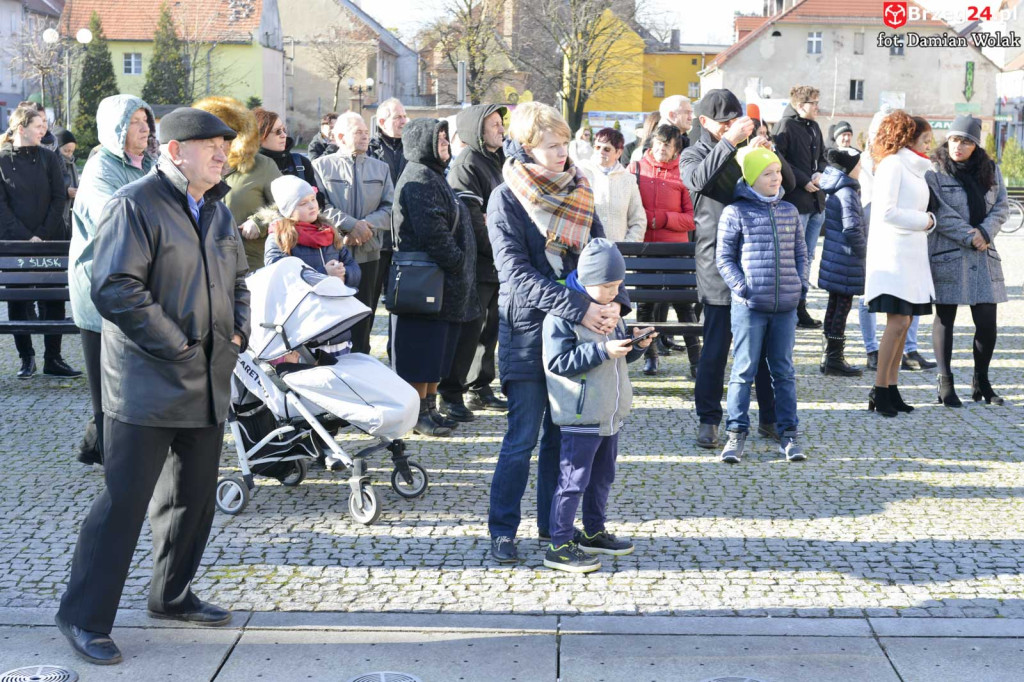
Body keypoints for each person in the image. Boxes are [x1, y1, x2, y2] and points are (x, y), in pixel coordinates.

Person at [55, 107, 249, 666]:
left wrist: (235, 333)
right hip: (145, 383)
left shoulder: (216, 209)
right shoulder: (134, 203)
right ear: (174, 152)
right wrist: (180, 348)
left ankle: (172, 595)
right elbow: (115, 287)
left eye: (224, 146)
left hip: (207, 379)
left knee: (191, 501)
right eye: (210, 145)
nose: (222, 154)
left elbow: (237, 279)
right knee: (124, 503)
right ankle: (83, 617)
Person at [486, 102, 628, 564]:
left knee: (560, 436)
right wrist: (583, 308)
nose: (563, 153)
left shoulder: (579, 188)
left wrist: (614, 305)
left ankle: (557, 533)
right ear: (527, 147)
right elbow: (516, 274)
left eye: (566, 144)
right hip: (527, 332)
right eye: (552, 146)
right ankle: (503, 530)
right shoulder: (505, 198)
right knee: (522, 437)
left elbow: (603, 254)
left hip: (575, 333)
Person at [542, 239, 653, 572]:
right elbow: (558, 362)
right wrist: (604, 351)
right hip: (581, 413)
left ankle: (593, 531)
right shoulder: (563, 314)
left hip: (609, 412)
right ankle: (558, 543)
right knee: (573, 480)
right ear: (586, 279)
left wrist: (636, 347)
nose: (614, 293)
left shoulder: (612, 310)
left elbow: (615, 359)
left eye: (618, 285)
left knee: (603, 476)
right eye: (607, 286)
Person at [680, 89, 780, 449]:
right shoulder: (693, 152)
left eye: (735, 122)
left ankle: (771, 418)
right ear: (704, 123)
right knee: (717, 347)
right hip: (717, 264)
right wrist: (730, 143)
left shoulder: (749, 149)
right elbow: (698, 181)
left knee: (764, 347)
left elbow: (786, 186)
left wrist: (768, 154)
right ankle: (708, 419)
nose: (731, 128)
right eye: (724, 123)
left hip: (757, 260)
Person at [68, 95, 158, 466]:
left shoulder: (149, 163)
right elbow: (118, 215)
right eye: (135, 121)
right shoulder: (100, 168)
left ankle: (95, 444)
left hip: (138, 284)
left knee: (130, 377)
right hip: (101, 289)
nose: (144, 128)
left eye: (146, 120)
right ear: (115, 128)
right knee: (107, 383)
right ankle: (115, 459)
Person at [717, 146, 808, 463]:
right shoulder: (735, 212)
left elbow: (801, 253)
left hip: (785, 306)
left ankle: (789, 434)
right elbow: (725, 259)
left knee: (783, 372)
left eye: (778, 172)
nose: (776, 177)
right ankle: (735, 433)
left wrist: (800, 284)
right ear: (752, 178)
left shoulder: (789, 211)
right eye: (767, 173)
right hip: (750, 306)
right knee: (743, 371)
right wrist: (744, 288)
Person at [390, 117, 479, 437]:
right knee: (420, 351)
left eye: (446, 140)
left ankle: (428, 407)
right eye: (440, 141)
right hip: (427, 282)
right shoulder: (419, 178)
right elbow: (433, 233)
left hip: (441, 284)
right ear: (423, 143)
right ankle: (417, 414)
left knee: (433, 352)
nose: (446, 147)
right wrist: (457, 262)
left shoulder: (433, 175)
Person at [925, 115, 1009, 407]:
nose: (958, 146)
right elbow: (940, 211)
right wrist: (968, 235)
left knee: (987, 321)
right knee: (945, 317)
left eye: (965, 141)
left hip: (984, 252)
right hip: (949, 252)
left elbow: (1002, 206)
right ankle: (944, 382)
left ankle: (981, 382)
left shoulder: (991, 170)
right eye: (954, 139)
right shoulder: (935, 171)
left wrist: (985, 232)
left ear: (975, 145)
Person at [438, 104, 510, 421]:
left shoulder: (498, 161)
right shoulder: (467, 164)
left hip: (497, 262)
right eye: (494, 124)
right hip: (478, 262)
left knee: (489, 330)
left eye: (501, 124)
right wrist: (499, 245)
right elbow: (473, 221)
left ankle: (480, 388)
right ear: (476, 129)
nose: (501, 129)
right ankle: (450, 393)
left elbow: (502, 213)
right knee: (468, 329)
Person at [864, 111, 936, 417]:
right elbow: (887, 212)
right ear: (909, 138)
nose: (929, 146)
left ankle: (891, 387)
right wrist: (927, 220)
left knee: (905, 323)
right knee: (896, 322)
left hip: (911, 254)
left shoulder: (916, 167)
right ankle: (880, 389)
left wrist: (926, 222)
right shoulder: (894, 165)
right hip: (893, 256)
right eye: (925, 139)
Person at [0, 105, 76, 379]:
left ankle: (53, 359)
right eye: (38, 124)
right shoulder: (2, 160)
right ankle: (26, 358)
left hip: (51, 239)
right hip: (15, 244)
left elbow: (59, 198)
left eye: (45, 124)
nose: (44, 129)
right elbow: (2, 206)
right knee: (18, 300)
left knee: (52, 299)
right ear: (22, 128)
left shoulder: (49, 158)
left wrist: (41, 235)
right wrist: (25, 237)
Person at [314, 112, 394, 355]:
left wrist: (365, 226)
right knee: (335, 317)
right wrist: (349, 225)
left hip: (370, 253)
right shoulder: (320, 167)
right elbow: (320, 206)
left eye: (366, 132)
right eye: (358, 132)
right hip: (333, 256)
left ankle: (363, 365)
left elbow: (390, 208)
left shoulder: (381, 168)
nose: (365, 137)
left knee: (364, 317)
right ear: (340, 136)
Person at [263, 175, 360, 361]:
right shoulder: (279, 237)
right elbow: (279, 278)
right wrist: (325, 275)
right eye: (303, 203)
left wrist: (344, 274)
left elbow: (353, 267)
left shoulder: (328, 231)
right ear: (288, 210)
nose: (312, 206)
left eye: (313, 199)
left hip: (336, 324)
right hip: (304, 330)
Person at [628, 124, 698, 377]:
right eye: (658, 143)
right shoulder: (635, 169)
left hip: (676, 250)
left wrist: (661, 219)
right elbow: (629, 209)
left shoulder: (684, 173)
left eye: (667, 145)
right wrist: (647, 221)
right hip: (645, 248)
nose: (661, 148)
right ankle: (651, 355)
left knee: (683, 306)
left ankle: (695, 359)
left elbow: (692, 219)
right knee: (646, 305)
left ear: (676, 148)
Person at [194, 97, 281, 273]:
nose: (221, 142)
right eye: (211, 137)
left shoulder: (262, 165)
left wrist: (259, 222)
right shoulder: (195, 167)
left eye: (226, 135)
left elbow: (286, 204)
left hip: (250, 263)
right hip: (204, 264)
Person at [772, 85, 826, 329]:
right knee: (794, 256)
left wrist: (819, 174)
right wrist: (804, 180)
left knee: (808, 256)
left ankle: (801, 303)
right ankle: (793, 307)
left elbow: (823, 157)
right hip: (796, 199)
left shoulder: (813, 126)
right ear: (799, 104)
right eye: (813, 103)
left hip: (816, 201)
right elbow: (779, 161)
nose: (817, 107)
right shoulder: (785, 126)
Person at [817, 147, 866, 377]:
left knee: (834, 304)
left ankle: (828, 356)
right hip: (846, 258)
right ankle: (835, 359)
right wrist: (865, 252)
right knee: (842, 307)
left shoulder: (837, 187)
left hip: (836, 257)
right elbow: (852, 227)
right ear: (849, 168)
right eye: (858, 164)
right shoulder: (846, 191)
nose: (861, 168)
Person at [369, 98, 409, 305]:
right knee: (370, 298)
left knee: (404, 300)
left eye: (404, 116)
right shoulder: (370, 150)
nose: (403, 121)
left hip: (406, 237)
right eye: (397, 117)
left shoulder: (412, 148)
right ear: (382, 121)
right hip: (378, 237)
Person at [578, 127, 646, 243]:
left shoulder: (628, 180)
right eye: (597, 147)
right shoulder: (580, 172)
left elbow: (638, 221)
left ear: (618, 153)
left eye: (607, 149)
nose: (601, 152)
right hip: (585, 252)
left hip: (618, 253)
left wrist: (626, 247)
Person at [254, 107, 316, 187]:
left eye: (284, 130)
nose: (284, 135)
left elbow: (318, 197)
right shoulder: (248, 166)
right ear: (260, 136)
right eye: (278, 131)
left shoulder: (301, 163)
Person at [54, 127, 78, 235]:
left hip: (71, 214)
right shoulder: (54, 163)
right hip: (58, 215)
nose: (69, 154)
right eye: (66, 150)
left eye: (72, 151)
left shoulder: (72, 163)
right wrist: (66, 192)